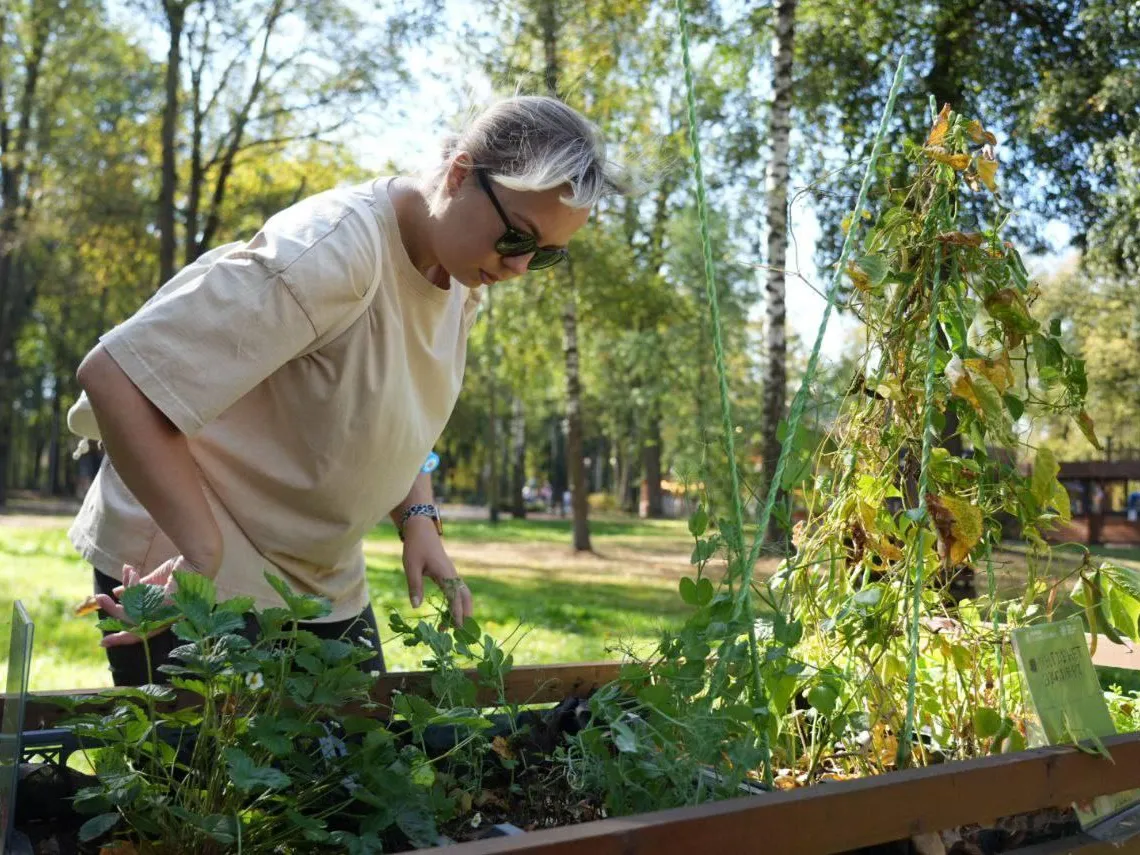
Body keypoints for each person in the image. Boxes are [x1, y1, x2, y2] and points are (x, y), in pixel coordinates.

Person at [67, 95, 625, 686]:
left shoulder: (461, 275)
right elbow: (118, 376)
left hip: (318, 577)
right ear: (460, 176)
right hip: (193, 562)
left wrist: (418, 516)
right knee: (211, 778)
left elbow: (394, 411)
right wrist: (202, 552)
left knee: (358, 770)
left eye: (545, 257)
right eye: (517, 239)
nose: (519, 267)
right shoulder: (331, 252)